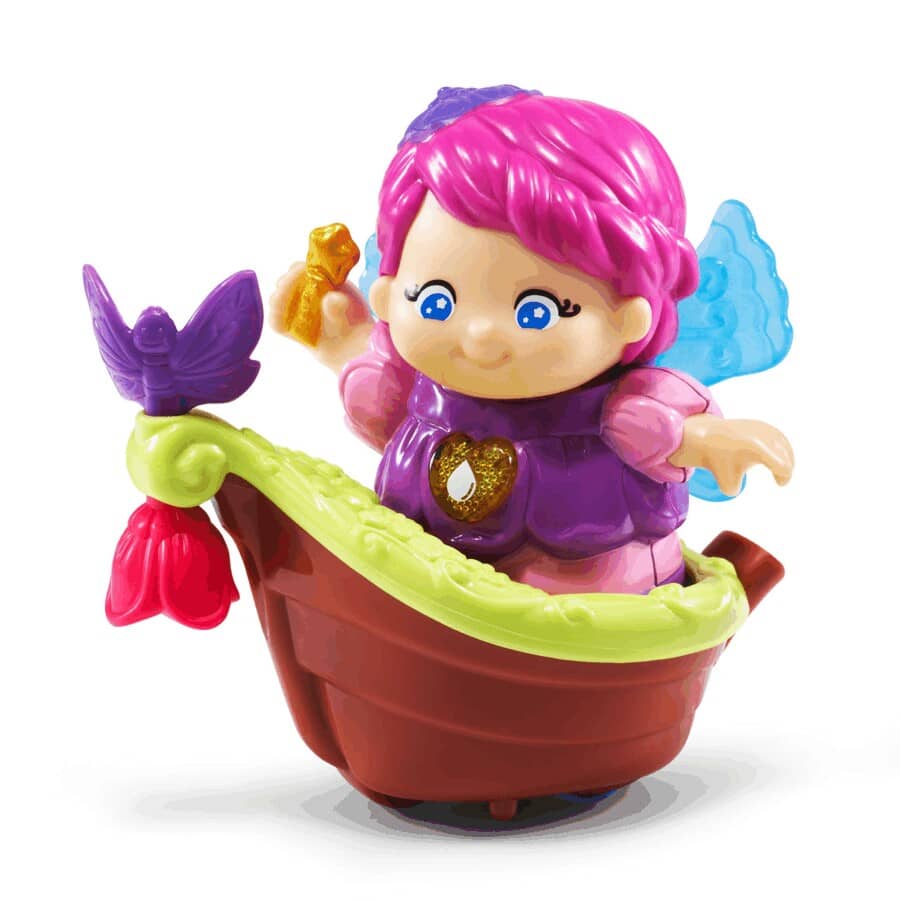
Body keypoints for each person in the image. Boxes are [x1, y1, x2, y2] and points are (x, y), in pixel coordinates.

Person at [272, 85, 793, 594]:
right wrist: (342, 342)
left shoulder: (615, 409)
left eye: (536, 311)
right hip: (426, 575)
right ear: (388, 294)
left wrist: (707, 439)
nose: (479, 335)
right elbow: (384, 404)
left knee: (586, 582)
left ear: (629, 316)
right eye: (435, 301)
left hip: (584, 574)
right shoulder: (424, 393)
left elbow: (660, 426)